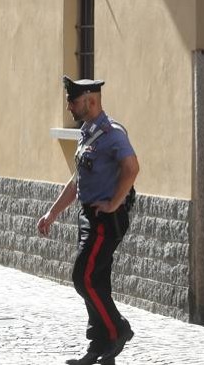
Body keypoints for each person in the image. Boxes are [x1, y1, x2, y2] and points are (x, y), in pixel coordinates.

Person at [37, 76, 139, 365]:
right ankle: (100, 347)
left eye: (73, 100)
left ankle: (118, 329)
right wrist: (53, 212)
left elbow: (132, 167)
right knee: (97, 281)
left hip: (105, 219)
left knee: (83, 277)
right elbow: (76, 181)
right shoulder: (87, 133)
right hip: (88, 217)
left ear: (90, 100)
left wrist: (114, 203)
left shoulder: (112, 134)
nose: (69, 105)